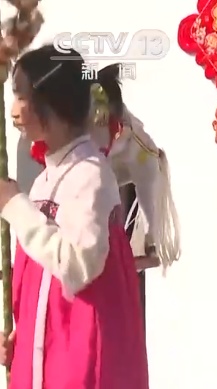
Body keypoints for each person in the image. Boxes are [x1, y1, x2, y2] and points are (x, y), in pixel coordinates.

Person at [0, 45, 149, 388]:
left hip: (80, 366)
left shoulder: (90, 175)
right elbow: (43, 281)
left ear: (52, 103)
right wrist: (25, 337)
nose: (13, 111)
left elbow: (79, 264)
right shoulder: (44, 182)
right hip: (48, 362)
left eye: (21, 96)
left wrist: (15, 206)